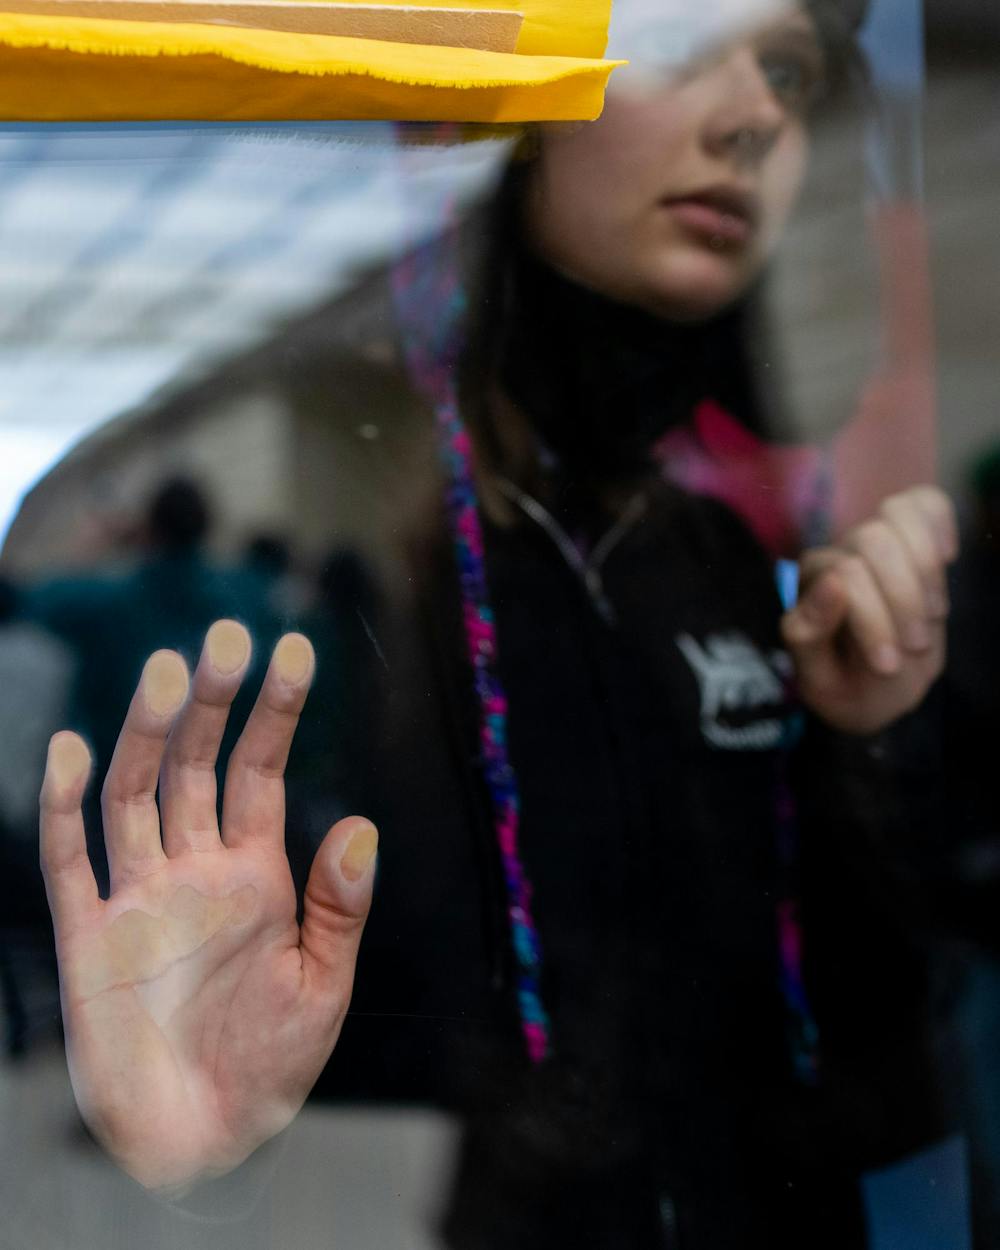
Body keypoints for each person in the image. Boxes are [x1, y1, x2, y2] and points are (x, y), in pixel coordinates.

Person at [36, 2, 961, 1246]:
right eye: (683, 42)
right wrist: (213, 1140)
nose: (754, 117)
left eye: (788, 72)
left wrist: (873, 738)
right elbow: (423, 1001)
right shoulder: (417, 555)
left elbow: (881, 1039)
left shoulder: (768, 551)